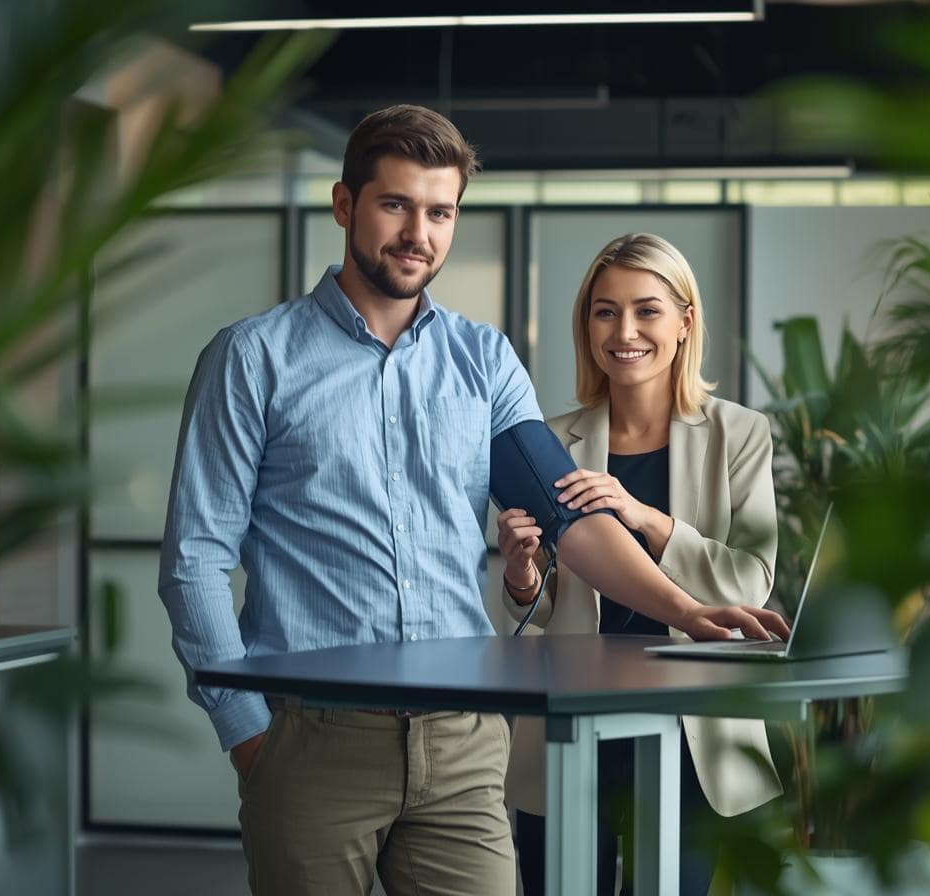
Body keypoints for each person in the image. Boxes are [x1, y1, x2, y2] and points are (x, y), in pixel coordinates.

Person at [157, 106, 787, 896]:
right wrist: (247, 733)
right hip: (314, 741)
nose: (418, 231)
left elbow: (572, 519)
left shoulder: (483, 359)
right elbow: (193, 563)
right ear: (345, 206)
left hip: (461, 744)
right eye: (395, 205)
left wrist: (686, 611)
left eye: (441, 211)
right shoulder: (253, 358)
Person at [499, 233, 784, 895]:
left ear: (685, 322)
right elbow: (546, 606)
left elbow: (751, 582)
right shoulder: (552, 440)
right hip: (575, 722)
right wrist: (521, 574)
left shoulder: (740, 435)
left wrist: (647, 517)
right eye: (605, 310)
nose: (624, 330)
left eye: (646, 310)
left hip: (693, 731)